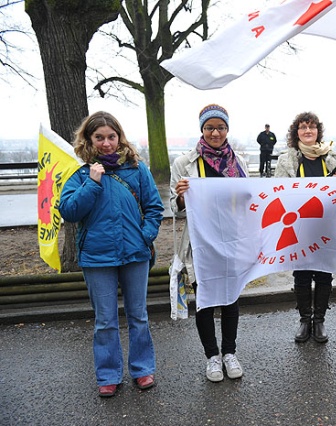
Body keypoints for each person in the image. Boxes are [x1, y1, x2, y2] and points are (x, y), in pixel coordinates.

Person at [59, 111, 164, 397]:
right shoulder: (79, 172)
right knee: (105, 320)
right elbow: (68, 211)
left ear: (119, 137)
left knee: (138, 315)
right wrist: (91, 183)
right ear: (89, 140)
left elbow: (154, 207)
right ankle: (108, 374)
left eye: (111, 137)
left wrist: (145, 236)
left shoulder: (136, 168)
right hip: (97, 257)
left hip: (135, 253)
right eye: (99, 137)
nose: (106, 143)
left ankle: (142, 369)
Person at [170, 104, 248, 382]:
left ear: (228, 129)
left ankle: (230, 352)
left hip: (231, 239)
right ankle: (212, 356)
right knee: (204, 299)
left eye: (221, 127)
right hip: (200, 243)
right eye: (209, 127)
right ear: (201, 129)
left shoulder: (238, 160)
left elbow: (248, 199)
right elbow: (175, 209)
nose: (215, 132)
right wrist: (180, 197)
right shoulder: (184, 163)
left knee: (230, 297)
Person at [274, 112, 336, 343]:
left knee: (324, 273)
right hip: (299, 226)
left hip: (325, 225)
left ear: (318, 131)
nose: (307, 131)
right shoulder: (287, 160)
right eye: (303, 127)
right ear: (297, 133)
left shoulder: (331, 158)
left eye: (312, 127)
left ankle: (320, 319)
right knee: (302, 273)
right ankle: (305, 319)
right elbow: (278, 192)